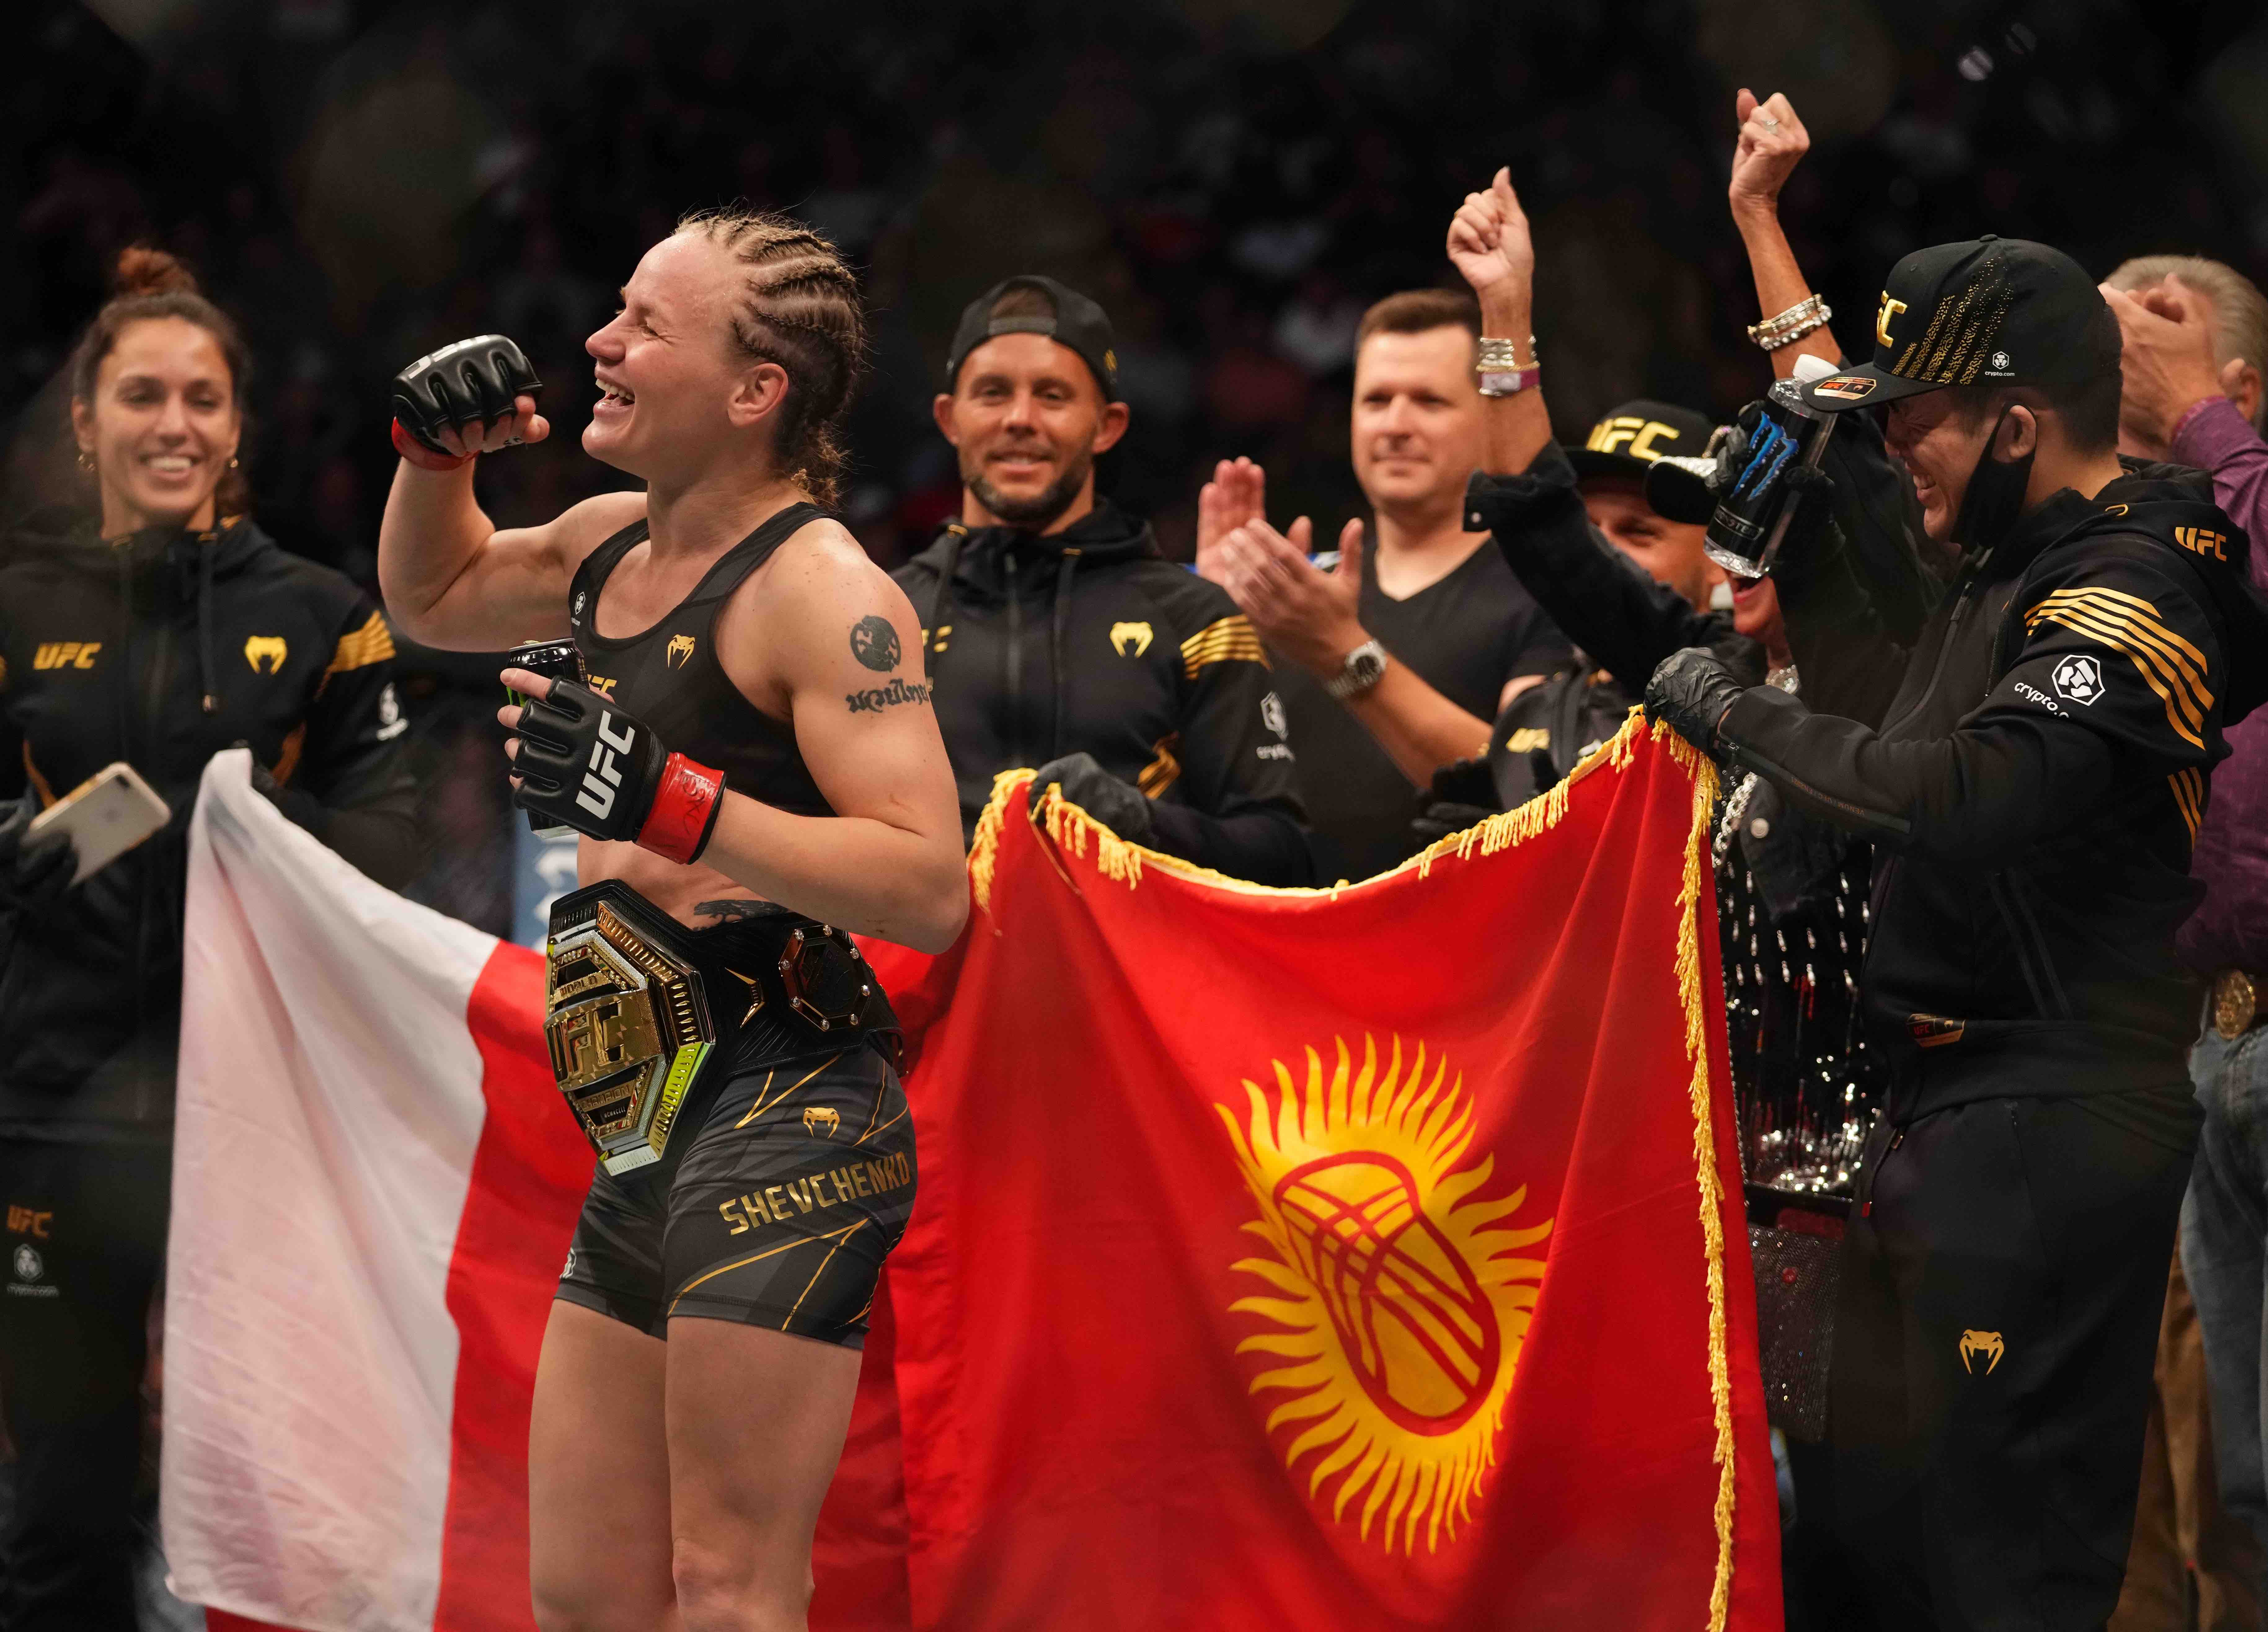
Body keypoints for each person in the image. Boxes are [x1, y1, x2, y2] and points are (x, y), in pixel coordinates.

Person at [1640, 224, 2268, 1627]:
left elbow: (1964, 795)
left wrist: (1730, 712)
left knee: (2005, 1569)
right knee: (1882, 1557)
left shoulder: (2137, 577)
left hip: (2053, 1116)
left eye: (1913, 416)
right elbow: (1872, 725)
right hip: (1939, 1115)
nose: (1891, 446)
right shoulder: (2000, 574)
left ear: (2016, 425)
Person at [375, 207, 966, 1632]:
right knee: (583, 1593)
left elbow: (928, 886)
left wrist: (672, 801)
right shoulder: (605, 544)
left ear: (755, 389)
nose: (598, 342)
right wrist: (432, 467)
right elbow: (434, 595)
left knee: (728, 1590)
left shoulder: (824, 593)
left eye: (645, 324)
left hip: (785, 1100)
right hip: (645, 1116)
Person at [0, 246, 417, 1631]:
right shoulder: (17, 609)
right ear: (86, 423)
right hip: (56, 1108)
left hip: (263, 1119)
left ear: (237, 427)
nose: (172, 425)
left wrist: (251, 820)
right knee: (60, 1508)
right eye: (141, 397)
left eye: (201, 398)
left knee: (277, 1505)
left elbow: (399, 843)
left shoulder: (322, 613)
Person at [893, 275, 1308, 885]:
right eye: (992, 393)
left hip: (1131, 949)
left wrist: (1141, 823)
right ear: (949, 419)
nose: (1019, 419)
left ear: (1107, 426)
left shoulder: (1195, 619)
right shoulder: (885, 618)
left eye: (1053, 396)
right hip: (927, 952)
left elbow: (1283, 858)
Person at [2103, 252, 2268, 1614]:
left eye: (2155, 334)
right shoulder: (2077, 546)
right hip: (2177, 1045)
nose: (2123, 354)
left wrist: (2194, 421)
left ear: (2241, 389)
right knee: (2217, 1489)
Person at [1199, 288, 1570, 882]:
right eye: (1376, 400)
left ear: (1491, 419)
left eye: (1429, 401)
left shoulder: (1549, 592)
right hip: (1281, 926)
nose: (1395, 425)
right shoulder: (1296, 595)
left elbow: (1533, 786)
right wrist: (1214, 630)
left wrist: (1342, 652)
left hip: (1460, 928)